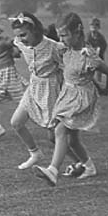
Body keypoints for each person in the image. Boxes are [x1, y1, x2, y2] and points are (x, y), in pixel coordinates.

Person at [32, 12, 108, 187]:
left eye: (65, 35)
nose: (62, 39)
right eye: (60, 35)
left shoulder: (88, 55)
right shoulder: (66, 50)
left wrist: (105, 89)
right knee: (68, 139)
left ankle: (52, 171)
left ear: (77, 32)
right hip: (67, 95)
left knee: (61, 130)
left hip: (81, 99)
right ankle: (89, 166)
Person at [10, 12, 69, 169]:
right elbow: (15, 47)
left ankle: (83, 162)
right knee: (16, 122)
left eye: (24, 34)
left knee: (53, 136)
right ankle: (35, 153)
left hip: (51, 90)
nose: (21, 38)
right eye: (18, 35)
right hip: (33, 87)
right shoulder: (21, 43)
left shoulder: (53, 47)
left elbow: (68, 68)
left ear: (35, 30)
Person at [86, 17, 108, 82]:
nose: (94, 27)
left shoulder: (101, 37)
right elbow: (85, 45)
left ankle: (99, 88)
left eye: (96, 25)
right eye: (92, 25)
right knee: (88, 74)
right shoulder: (87, 36)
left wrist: (99, 50)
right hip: (89, 58)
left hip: (99, 57)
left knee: (99, 74)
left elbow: (104, 45)